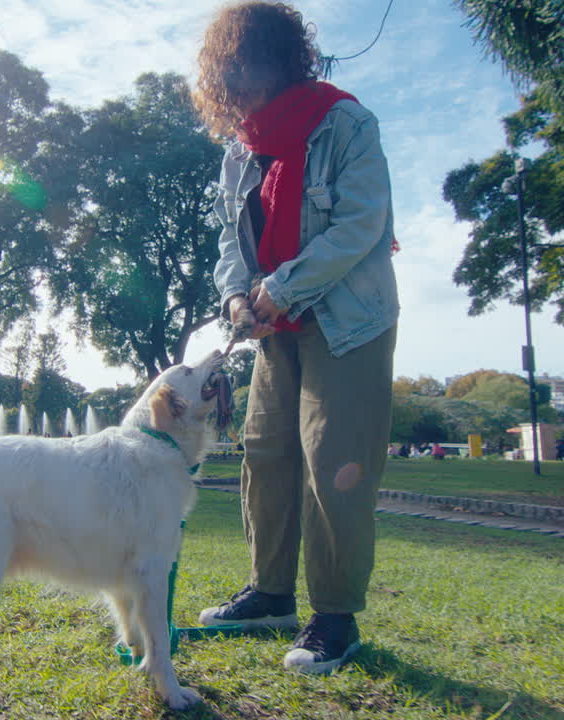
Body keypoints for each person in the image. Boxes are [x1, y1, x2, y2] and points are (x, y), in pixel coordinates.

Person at [192, 1, 399, 675]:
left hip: (347, 321)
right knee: (265, 451)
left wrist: (281, 287)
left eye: (243, 66)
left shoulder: (346, 123)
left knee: (331, 457)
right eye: (225, 72)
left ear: (283, 60)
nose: (234, 84)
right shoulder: (238, 151)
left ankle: (335, 616)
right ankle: (270, 593)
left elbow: (361, 224)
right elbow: (231, 238)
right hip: (274, 328)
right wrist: (233, 295)